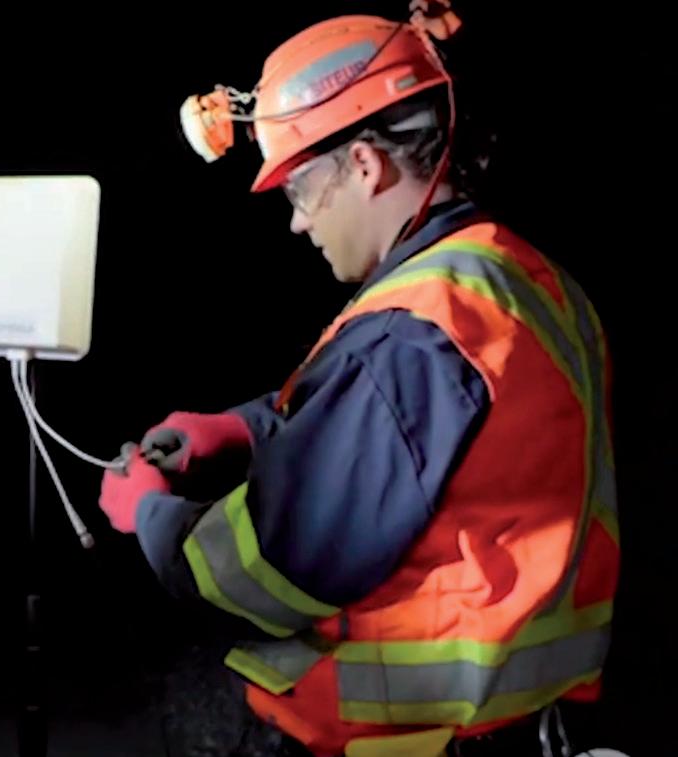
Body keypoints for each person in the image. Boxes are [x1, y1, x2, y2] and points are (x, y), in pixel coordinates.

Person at [101, 7, 620, 757]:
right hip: (526, 720)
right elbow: (431, 448)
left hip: (412, 737)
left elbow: (279, 558)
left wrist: (152, 517)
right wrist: (246, 428)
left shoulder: (414, 329)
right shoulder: (521, 279)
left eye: (300, 192)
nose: (297, 223)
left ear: (368, 166)